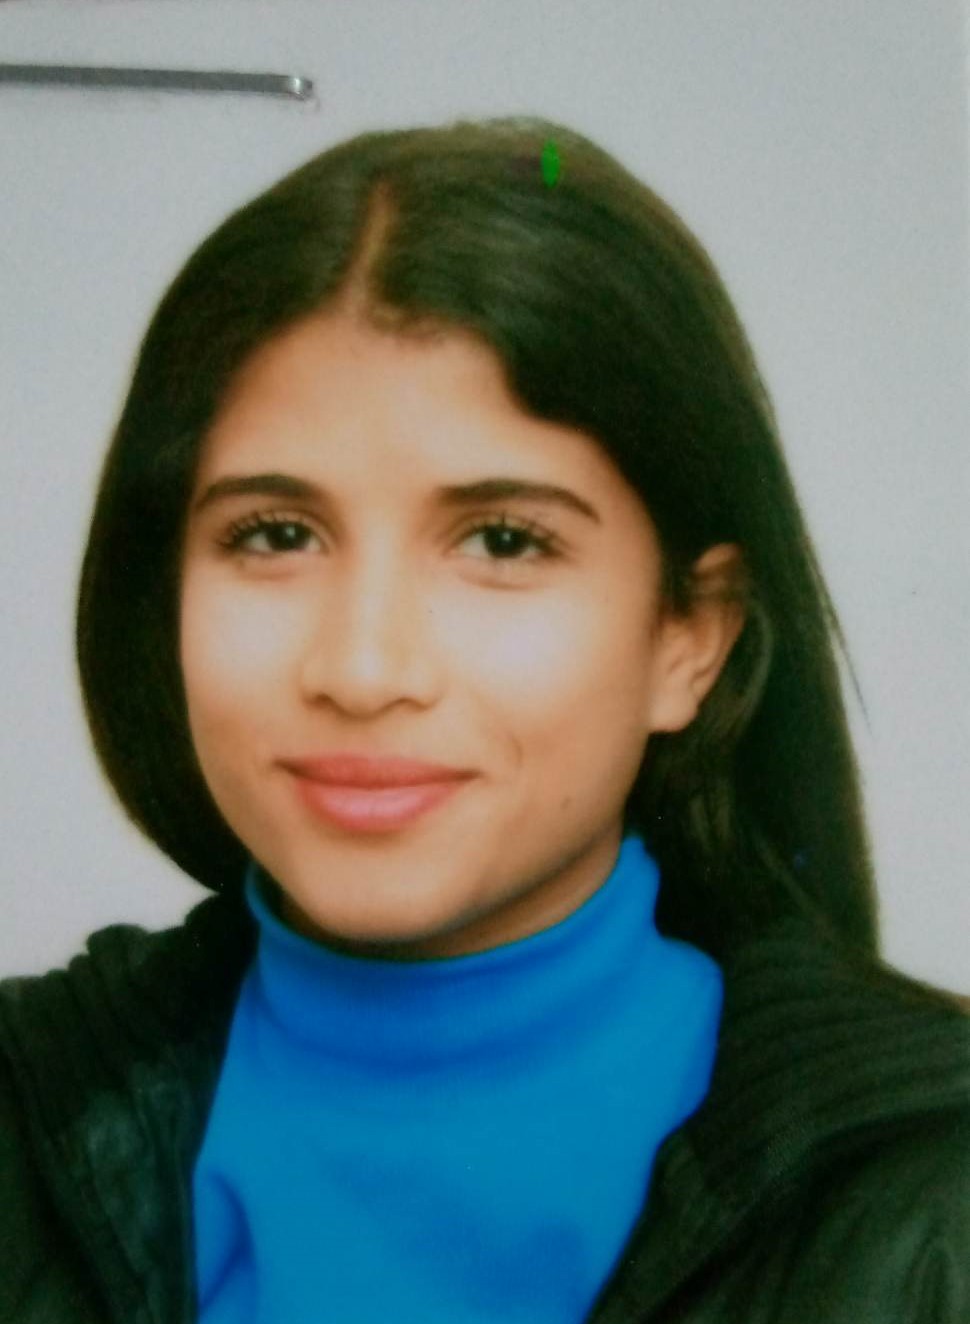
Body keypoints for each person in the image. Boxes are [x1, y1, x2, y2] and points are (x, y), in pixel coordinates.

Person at [1, 117, 967, 1324]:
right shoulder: (22, 1122)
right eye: (275, 534)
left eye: (504, 541)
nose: (362, 668)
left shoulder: (938, 1207)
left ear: (690, 636)